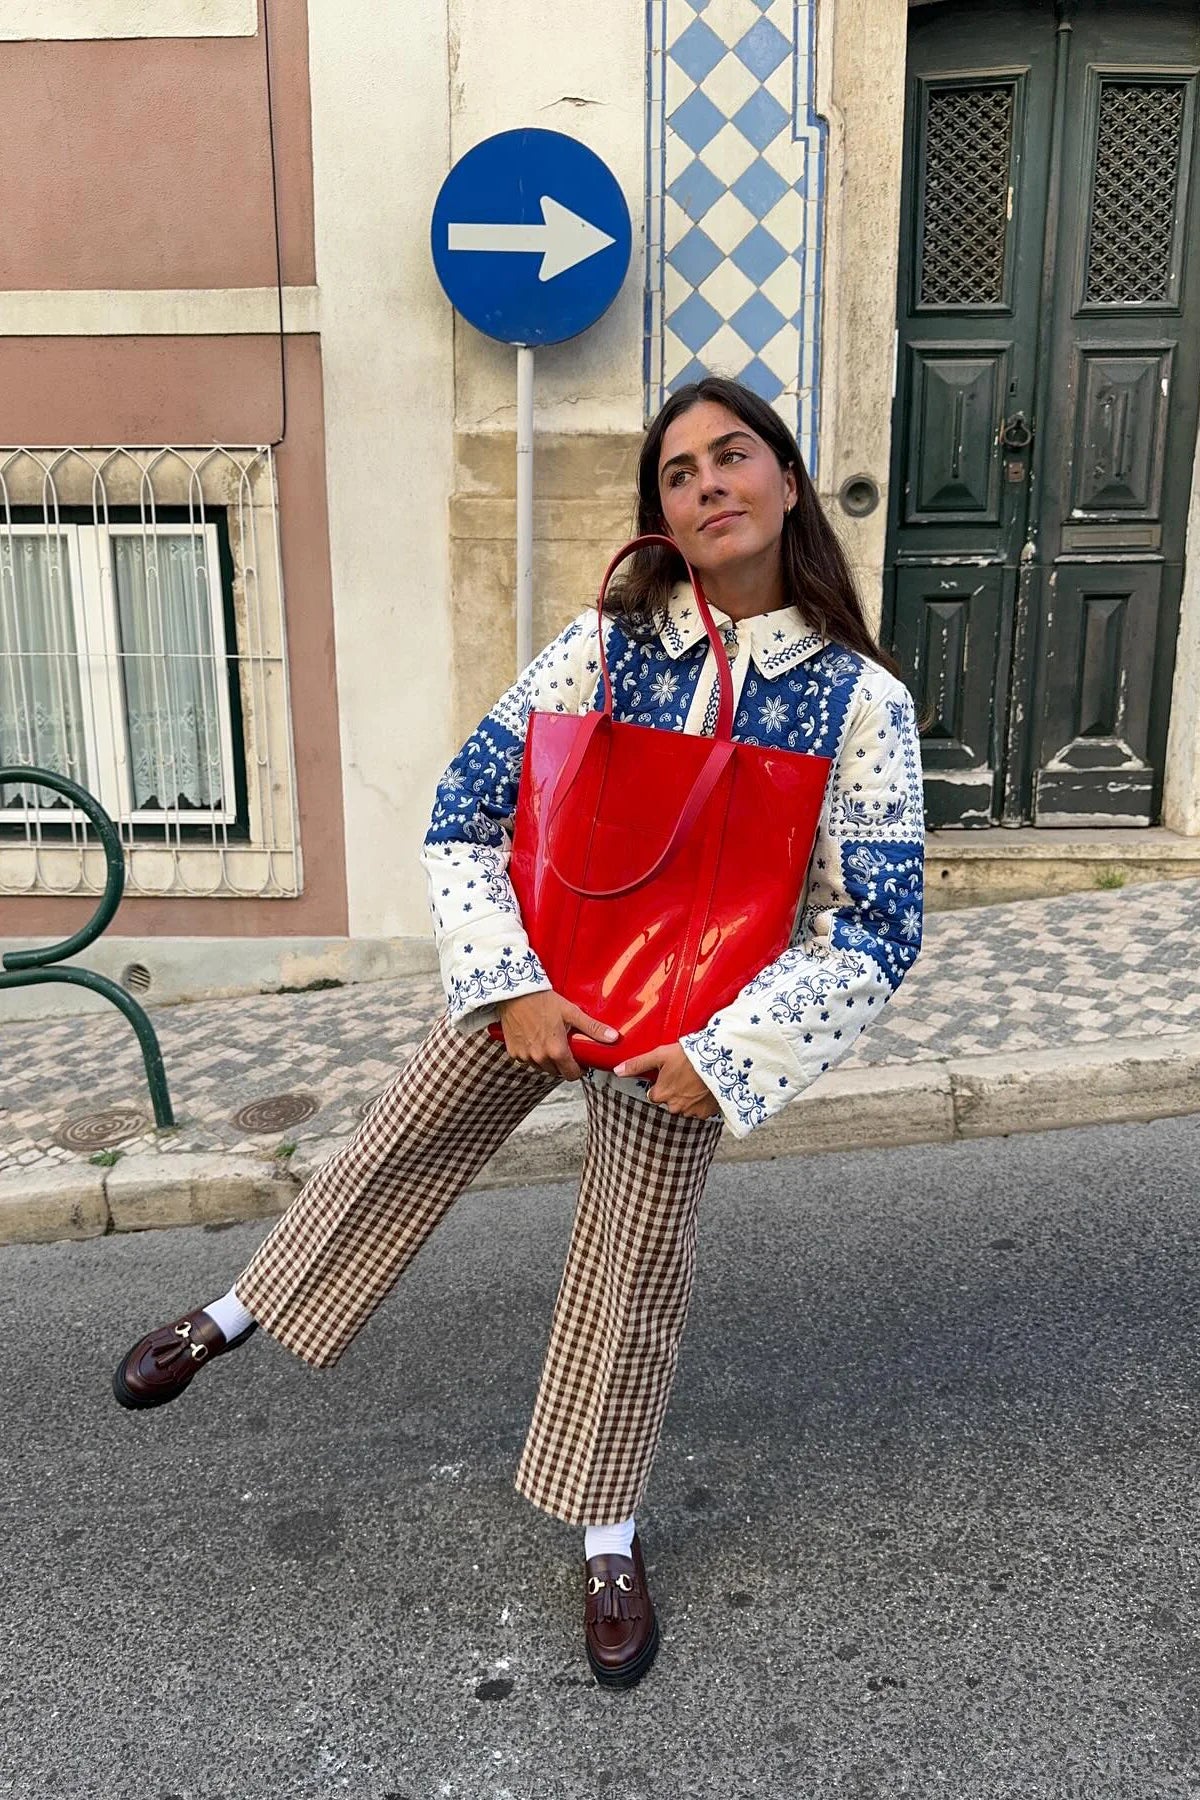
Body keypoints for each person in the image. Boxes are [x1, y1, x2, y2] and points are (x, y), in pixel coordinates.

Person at [112, 376, 925, 1690]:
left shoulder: (859, 702)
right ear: (660, 511)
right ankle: (237, 1311)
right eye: (678, 473)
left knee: (632, 1270)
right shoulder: (601, 642)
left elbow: (878, 925)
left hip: (692, 1033)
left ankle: (607, 1535)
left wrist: (726, 1058)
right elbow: (464, 809)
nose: (708, 485)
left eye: (733, 457)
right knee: (400, 1138)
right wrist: (507, 984)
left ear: (786, 482)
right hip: (543, 977)